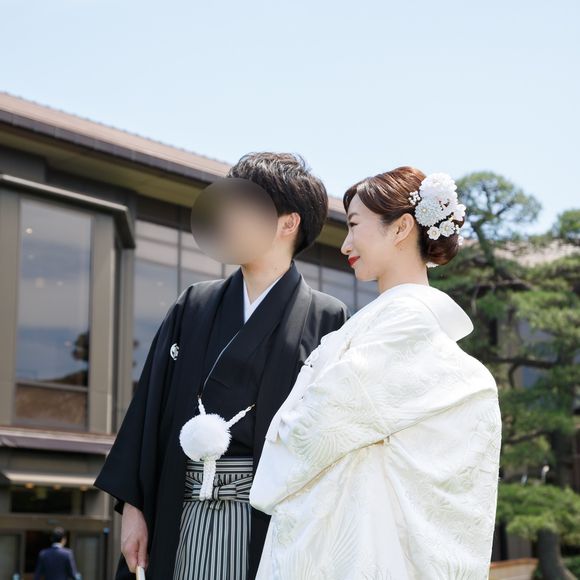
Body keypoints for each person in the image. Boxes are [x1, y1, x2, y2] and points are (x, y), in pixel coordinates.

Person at [94, 152, 349, 579]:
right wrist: (133, 509)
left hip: (273, 522)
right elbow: (149, 411)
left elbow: (333, 438)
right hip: (180, 509)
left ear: (287, 223)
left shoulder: (327, 318)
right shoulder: (194, 305)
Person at [250, 166, 502, 579]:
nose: (345, 244)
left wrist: (277, 448)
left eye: (353, 225)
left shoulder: (405, 323)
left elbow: (325, 419)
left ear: (401, 227)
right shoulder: (393, 322)